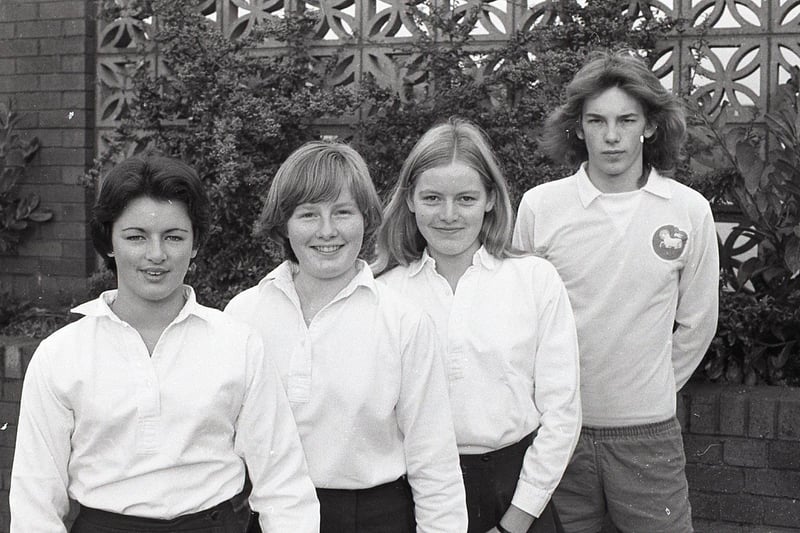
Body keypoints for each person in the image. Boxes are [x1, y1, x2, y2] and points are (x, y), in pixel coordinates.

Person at [10, 155, 319, 533]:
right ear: (108, 241)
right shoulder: (61, 355)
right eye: (136, 236)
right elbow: (36, 500)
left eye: (173, 237)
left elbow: (283, 485)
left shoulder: (237, 344)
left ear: (195, 244)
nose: (156, 254)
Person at [513, 50, 720, 533]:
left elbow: (698, 320)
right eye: (597, 120)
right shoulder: (541, 207)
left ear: (649, 126)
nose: (611, 136)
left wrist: (651, 388)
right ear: (578, 127)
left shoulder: (689, 211)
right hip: (556, 434)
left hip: (649, 437)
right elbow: (518, 319)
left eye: (626, 120)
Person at [224, 141, 468, 533]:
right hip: (264, 516)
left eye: (343, 212)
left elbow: (434, 461)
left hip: (373, 518)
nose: (327, 231)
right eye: (308, 214)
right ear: (283, 223)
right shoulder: (242, 315)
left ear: (365, 218)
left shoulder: (402, 322)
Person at [374, 117, 581, 533]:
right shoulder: (382, 293)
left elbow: (562, 413)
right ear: (410, 200)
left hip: (516, 493)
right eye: (432, 197)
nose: (448, 215)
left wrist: (516, 521)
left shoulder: (534, 280)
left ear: (490, 199)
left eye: (466, 198)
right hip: (414, 495)